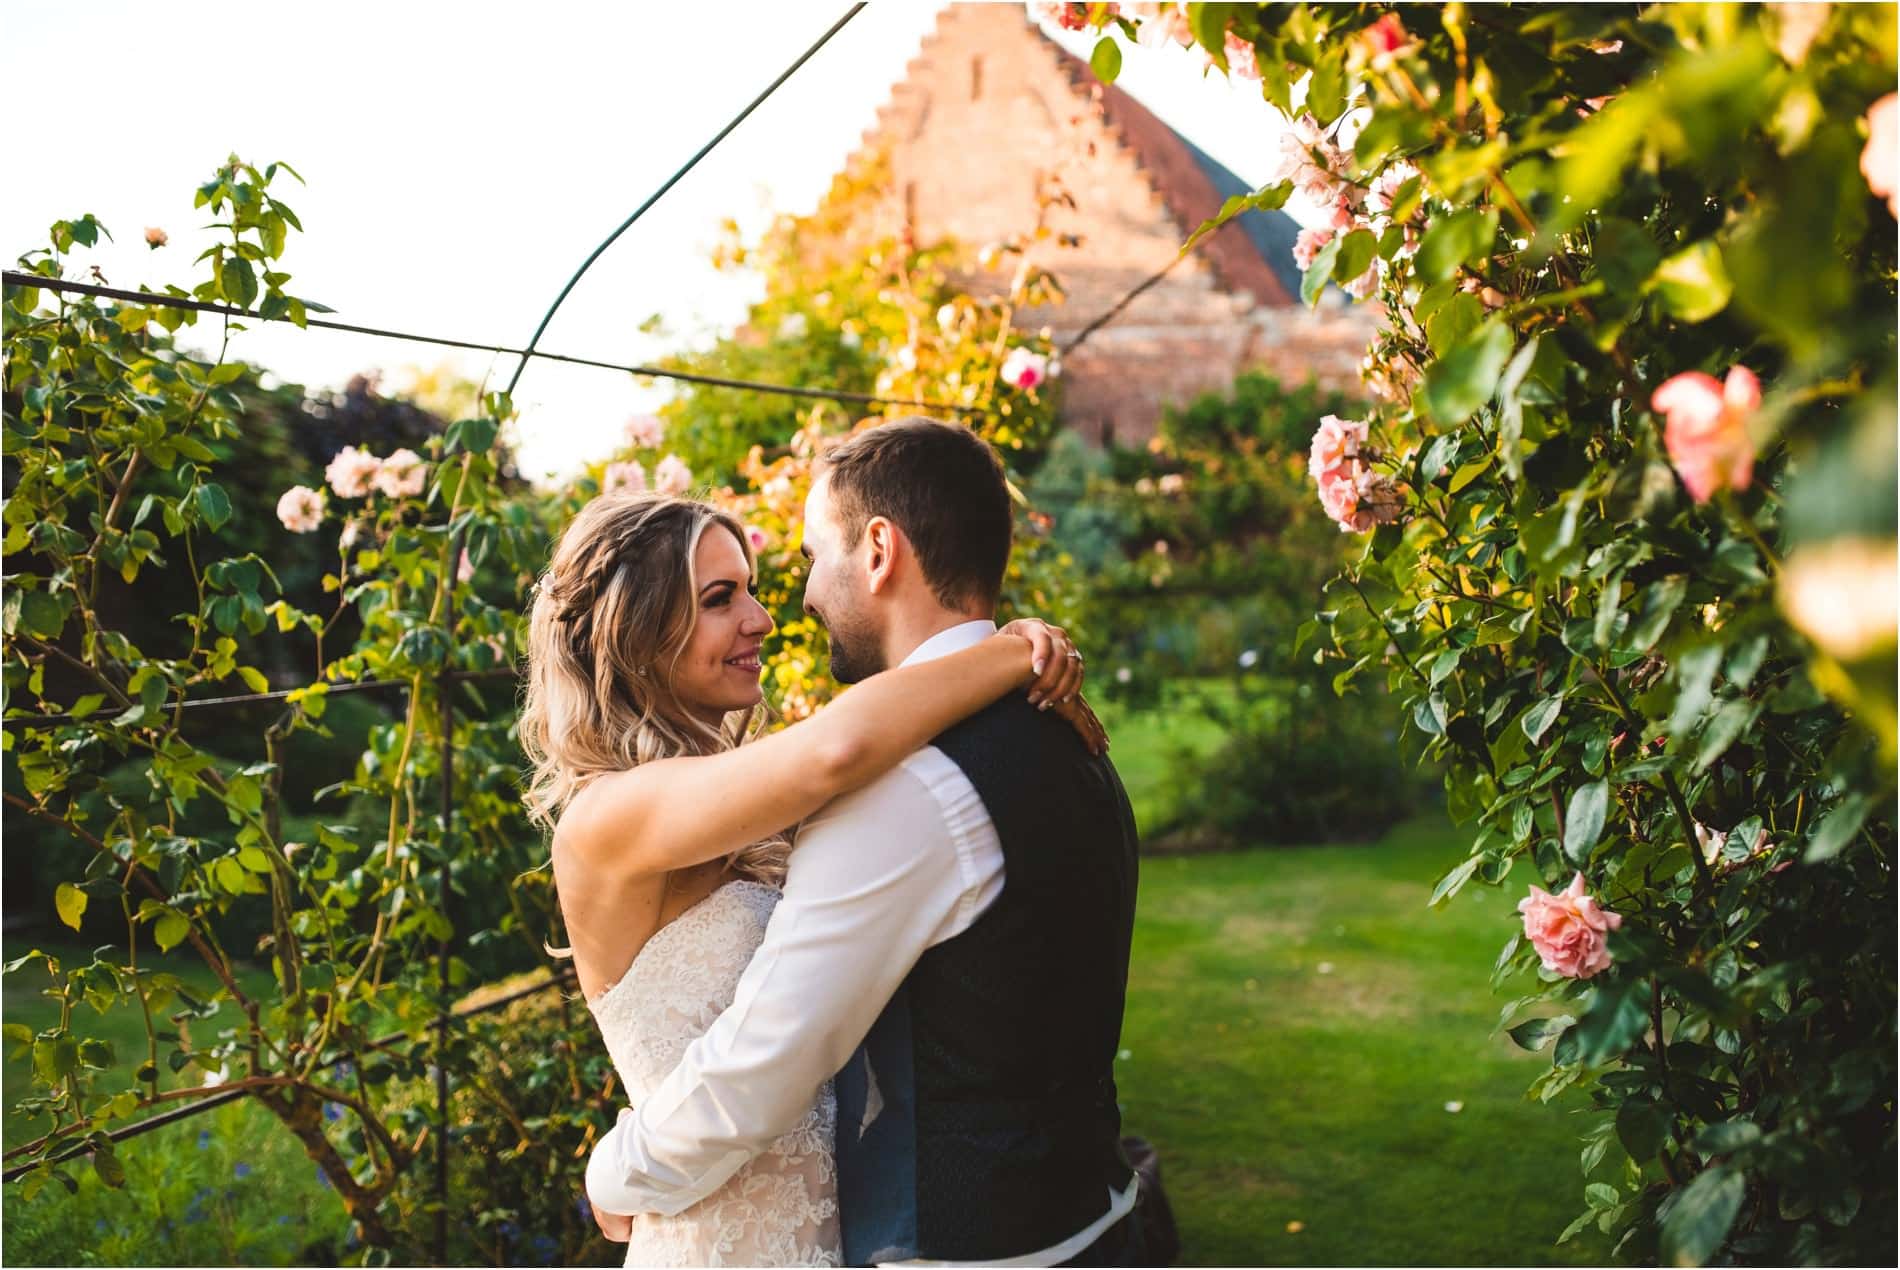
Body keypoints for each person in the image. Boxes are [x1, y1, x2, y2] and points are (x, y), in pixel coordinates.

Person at [582, 417, 1146, 1267]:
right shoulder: (1067, 733)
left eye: (809, 557)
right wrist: (1012, 651)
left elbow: (767, 1062)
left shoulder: (900, 787)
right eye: (720, 596)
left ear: (878, 551)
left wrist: (615, 1171)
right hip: (1087, 1215)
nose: (789, 606)